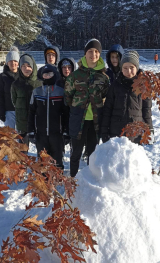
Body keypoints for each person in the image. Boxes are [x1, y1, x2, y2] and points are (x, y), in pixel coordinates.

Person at [65, 38, 110, 177]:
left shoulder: (104, 78)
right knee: (76, 153)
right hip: (78, 120)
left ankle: (90, 181)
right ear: (85, 53)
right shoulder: (75, 76)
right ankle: (72, 180)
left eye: (96, 51)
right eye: (90, 51)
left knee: (92, 154)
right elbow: (68, 96)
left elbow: (105, 96)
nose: (93, 54)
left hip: (95, 121)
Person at [101, 50, 153, 145]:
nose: (128, 71)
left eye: (131, 67)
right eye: (125, 68)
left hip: (135, 134)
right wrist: (104, 131)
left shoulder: (143, 87)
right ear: (121, 68)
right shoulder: (115, 86)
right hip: (116, 133)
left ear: (136, 68)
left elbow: (147, 111)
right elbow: (107, 110)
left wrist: (150, 131)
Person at [28, 64, 69, 169]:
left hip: (57, 133)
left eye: (50, 74)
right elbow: (31, 112)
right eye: (45, 75)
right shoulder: (36, 92)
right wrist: (31, 131)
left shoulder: (60, 92)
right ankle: (43, 179)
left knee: (57, 157)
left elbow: (66, 113)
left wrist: (66, 131)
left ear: (54, 75)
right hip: (40, 133)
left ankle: (58, 177)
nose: (47, 76)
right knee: (42, 158)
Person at [11, 54, 42, 150]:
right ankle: (23, 164)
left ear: (33, 67)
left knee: (41, 148)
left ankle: (40, 164)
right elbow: (14, 101)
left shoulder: (39, 83)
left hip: (37, 121)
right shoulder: (16, 84)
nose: (26, 68)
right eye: (23, 66)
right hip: (22, 121)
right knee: (23, 148)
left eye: (28, 66)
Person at [0, 46, 20, 129]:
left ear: (18, 63)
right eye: (10, 61)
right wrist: (1, 112)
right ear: (7, 63)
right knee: (11, 137)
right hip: (9, 111)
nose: (13, 63)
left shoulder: (22, 75)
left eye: (15, 61)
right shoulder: (2, 77)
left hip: (22, 110)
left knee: (22, 137)